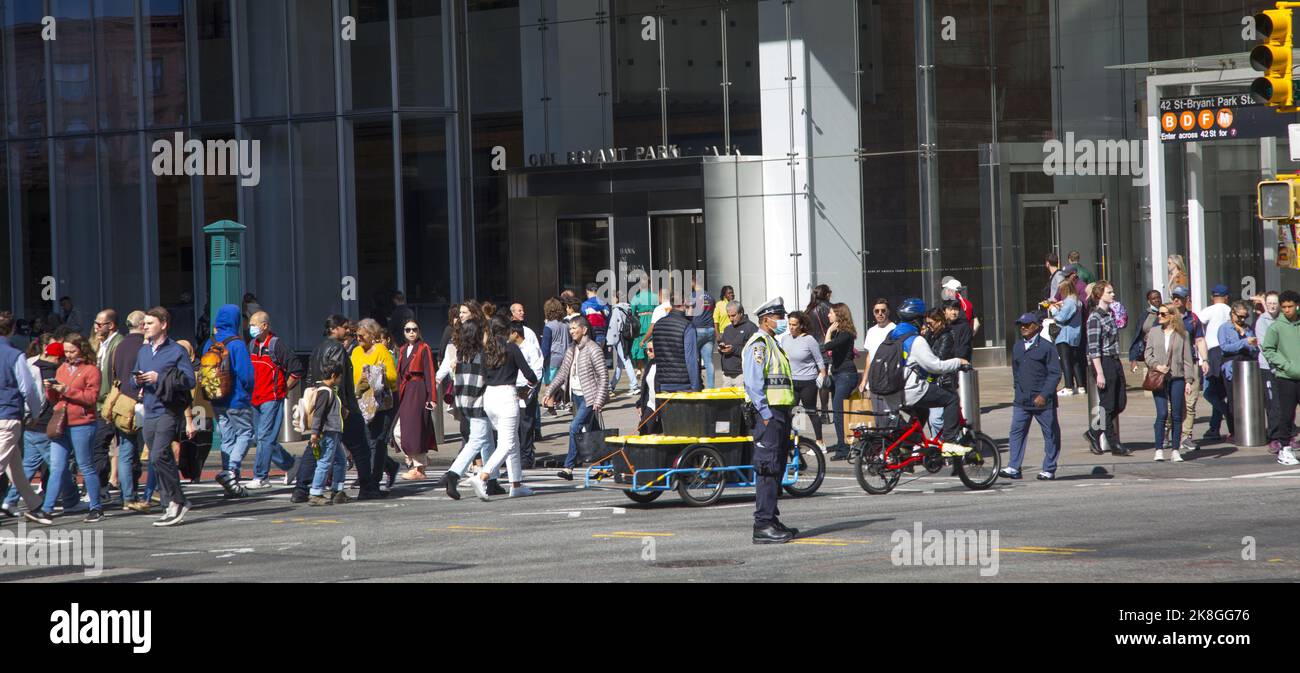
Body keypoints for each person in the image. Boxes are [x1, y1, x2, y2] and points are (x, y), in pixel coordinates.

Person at [877, 298, 969, 452]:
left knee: (922, 411)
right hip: (908, 390)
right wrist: (958, 362)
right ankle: (950, 442)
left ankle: (906, 447)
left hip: (888, 390)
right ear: (917, 319)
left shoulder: (892, 335)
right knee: (951, 399)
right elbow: (935, 365)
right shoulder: (915, 340)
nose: (925, 324)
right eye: (923, 320)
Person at [743, 297, 799, 544]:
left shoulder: (772, 343)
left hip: (780, 413)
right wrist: (765, 415)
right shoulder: (759, 344)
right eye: (778, 317)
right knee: (767, 468)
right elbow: (754, 384)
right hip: (768, 415)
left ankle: (771, 518)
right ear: (766, 319)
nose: (782, 321)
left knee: (776, 466)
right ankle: (762, 524)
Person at [133, 307, 195, 526]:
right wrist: (138, 381)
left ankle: (178, 502)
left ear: (163, 324)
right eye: (144, 323)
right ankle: (172, 503)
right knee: (158, 458)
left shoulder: (176, 350)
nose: (145, 326)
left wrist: (159, 377)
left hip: (169, 409)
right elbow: (134, 377)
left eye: (150, 323)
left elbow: (189, 380)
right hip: (148, 409)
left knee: (159, 454)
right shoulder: (143, 351)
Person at [2, 341, 78, 518]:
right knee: (57, 465)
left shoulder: (30, 363)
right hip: (38, 422)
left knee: (22, 466)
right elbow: (32, 392)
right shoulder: (48, 371)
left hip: (26, 424)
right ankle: (67, 500)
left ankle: (18, 501)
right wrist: (34, 413)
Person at [467, 316, 539, 500]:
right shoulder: (512, 348)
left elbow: (482, 376)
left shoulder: (485, 351)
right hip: (507, 395)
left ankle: (516, 484)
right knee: (507, 443)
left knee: (511, 440)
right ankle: (483, 476)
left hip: (490, 396)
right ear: (506, 330)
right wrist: (527, 389)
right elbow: (530, 375)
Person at [293, 315, 361, 503]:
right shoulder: (337, 349)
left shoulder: (316, 348)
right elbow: (342, 379)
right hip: (332, 412)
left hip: (318, 400)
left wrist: (310, 396)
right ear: (334, 329)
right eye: (344, 327)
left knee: (321, 453)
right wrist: (345, 405)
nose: (347, 331)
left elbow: (308, 376)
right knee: (342, 452)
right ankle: (318, 492)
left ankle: (302, 489)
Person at [0, 312, 52, 525]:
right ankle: (35, 506)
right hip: (7, 414)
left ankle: (34, 505)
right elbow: (28, 388)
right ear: (12, 330)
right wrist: (35, 412)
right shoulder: (14, 355)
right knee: (4, 461)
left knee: (15, 466)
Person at [1000, 313, 1062, 480]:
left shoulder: (1047, 347)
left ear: (1037, 326)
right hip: (1022, 400)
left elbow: (1055, 374)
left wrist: (1044, 394)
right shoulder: (1018, 347)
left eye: (1027, 324)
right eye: (1021, 324)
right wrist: (1017, 389)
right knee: (1016, 432)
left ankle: (1049, 468)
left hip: (1043, 401)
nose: (1023, 327)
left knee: (1051, 433)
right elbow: (1016, 371)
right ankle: (1013, 466)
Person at [546, 316, 609, 481]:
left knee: (575, 427)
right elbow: (562, 373)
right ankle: (606, 465)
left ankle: (569, 467)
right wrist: (549, 391)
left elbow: (603, 376)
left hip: (590, 397)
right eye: (570, 329)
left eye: (575, 328)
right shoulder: (572, 349)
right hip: (577, 396)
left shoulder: (593, 349)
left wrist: (599, 399)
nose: (572, 331)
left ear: (584, 330)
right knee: (594, 431)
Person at [438, 319, 495, 499]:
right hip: (479, 402)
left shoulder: (461, 353)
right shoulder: (481, 354)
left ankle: (493, 480)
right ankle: (452, 474)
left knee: (487, 441)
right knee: (477, 441)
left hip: (464, 402)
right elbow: (487, 379)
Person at [244, 311, 301, 488]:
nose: (251, 327)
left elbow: (296, 370)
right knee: (262, 437)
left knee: (264, 437)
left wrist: (283, 389)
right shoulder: (252, 344)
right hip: (255, 398)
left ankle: (261, 476)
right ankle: (291, 464)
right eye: (250, 324)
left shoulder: (277, 345)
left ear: (265, 326)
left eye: (254, 324)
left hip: (272, 398)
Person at [205, 304, 257, 495]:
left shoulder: (209, 342)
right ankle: (231, 470)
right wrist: (249, 393)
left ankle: (231, 481)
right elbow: (246, 375)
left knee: (227, 438)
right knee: (246, 433)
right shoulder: (236, 344)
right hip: (236, 398)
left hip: (216, 398)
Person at [351, 319, 400, 498]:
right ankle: (389, 466)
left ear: (372, 335)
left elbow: (393, 378)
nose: (358, 338)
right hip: (361, 403)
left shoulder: (381, 351)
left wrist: (375, 374)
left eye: (361, 335)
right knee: (366, 442)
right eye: (356, 335)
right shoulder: (355, 352)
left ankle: (372, 483)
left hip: (382, 403)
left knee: (377, 442)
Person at [1084, 282, 1131, 457]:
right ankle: (1114, 443)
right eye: (1109, 292)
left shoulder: (1109, 314)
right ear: (1099, 295)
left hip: (1115, 360)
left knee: (1119, 402)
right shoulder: (1094, 318)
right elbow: (1094, 348)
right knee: (1107, 405)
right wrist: (1100, 373)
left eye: (1112, 291)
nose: (1113, 295)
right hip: (1104, 362)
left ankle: (1094, 432)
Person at [1145, 303, 1195, 462]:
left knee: (1177, 414)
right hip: (1159, 377)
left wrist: (1188, 380)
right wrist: (1156, 366)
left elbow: (1188, 360)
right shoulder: (1154, 332)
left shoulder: (1183, 334)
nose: (1159, 316)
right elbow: (1148, 354)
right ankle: (1158, 449)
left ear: (1173, 315)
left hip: (1177, 377)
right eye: (1159, 314)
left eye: (1163, 314)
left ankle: (1175, 450)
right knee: (1162, 413)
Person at [112, 311, 148, 509]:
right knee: (151, 448)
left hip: (123, 403)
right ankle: (151, 492)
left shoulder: (119, 346)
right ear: (142, 325)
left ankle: (127, 496)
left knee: (125, 451)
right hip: (142, 402)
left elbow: (114, 375)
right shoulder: (144, 346)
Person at [395, 319, 437, 480]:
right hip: (406, 390)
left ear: (419, 331)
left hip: (418, 390)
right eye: (407, 330)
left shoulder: (423, 348)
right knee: (399, 431)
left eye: (414, 329)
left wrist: (432, 397)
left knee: (415, 429)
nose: (411, 332)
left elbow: (429, 373)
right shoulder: (403, 349)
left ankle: (418, 468)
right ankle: (418, 461)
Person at [1170, 285, 1210, 452]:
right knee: (1173, 402)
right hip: (1172, 364)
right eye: (1174, 296)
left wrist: (1205, 359)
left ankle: (1186, 436)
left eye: (1179, 297)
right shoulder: (1167, 315)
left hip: (1191, 363)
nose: (1176, 299)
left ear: (1187, 299)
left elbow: (1200, 340)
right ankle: (1171, 434)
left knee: (1190, 401)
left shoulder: (1192, 318)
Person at [89, 310, 123, 500]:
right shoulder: (98, 344)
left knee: (107, 445)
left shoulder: (118, 344)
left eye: (100, 324)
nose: (96, 327)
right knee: (102, 445)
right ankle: (104, 486)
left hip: (111, 402)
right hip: (99, 402)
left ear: (111, 325)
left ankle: (107, 487)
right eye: (95, 323)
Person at [1264, 290, 1300, 465]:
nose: (1286, 310)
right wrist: (1285, 365)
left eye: (1290, 306)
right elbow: (1268, 349)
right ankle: (1284, 449)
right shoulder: (1276, 327)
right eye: (1283, 306)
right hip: (1285, 377)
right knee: (1286, 414)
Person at [305, 363, 349, 506]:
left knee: (341, 460)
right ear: (333, 376)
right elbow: (319, 414)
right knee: (325, 461)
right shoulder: (325, 391)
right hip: (329, 431)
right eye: (340, 377)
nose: (341, 379)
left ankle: (337, 489)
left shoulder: (330, 391)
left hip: (334, 431)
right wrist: (314, 433)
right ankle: (316, 492)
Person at [781, 311, 826, 448]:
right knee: (792, 412)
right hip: (792, 381)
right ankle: (795, 439)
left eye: (794, 324)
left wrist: (822, 375)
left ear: (801, 325)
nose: (791, 327)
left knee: (811, 411)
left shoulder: (809, 340)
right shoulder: (785, 339)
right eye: (789, 324)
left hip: (808, 382)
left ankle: (820, 442)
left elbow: (819, 360)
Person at [1218, 300, 1259, 444]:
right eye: (1239, 316)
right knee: (1233, 401)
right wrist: (1244, 342)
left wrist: (1250, 343)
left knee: (1249, 400)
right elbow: (1224, 347)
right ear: (1232, 314)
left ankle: (1250, 429)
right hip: (1231, 367)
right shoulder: (1224, 328)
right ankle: (1234, 431)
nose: (1242, 320)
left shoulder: (1247, 329)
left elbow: (1255, 349)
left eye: (1245, 317)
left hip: (1248, 366)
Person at [823, 303, 860, 459]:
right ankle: (841, 443)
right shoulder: (840, 333)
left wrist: (830, 331)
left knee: (838, 412)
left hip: (846, 375)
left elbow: (826, 346)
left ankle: (843, 450)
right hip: (838, 375)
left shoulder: (845, 334)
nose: (828, 316)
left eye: (831, 313)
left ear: (839, 315)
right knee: (837, 411)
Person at [1200, 285, 1234, 443]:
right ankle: (1214, 427)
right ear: (1226, 297)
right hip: (1227, 353)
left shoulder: (1209, 310)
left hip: (1212, 353)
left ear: (1213, 297)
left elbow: (1198, 323)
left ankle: (1226, 411)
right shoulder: (1229, 310)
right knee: (1219, 393)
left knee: (1209, 391)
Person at [644, 301, 701, 394]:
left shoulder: (658, 324)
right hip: (683, 385)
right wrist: (696, 387)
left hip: (662, 384)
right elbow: (691, 359)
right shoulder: (688, 326)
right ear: (684, 303)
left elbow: (657, 355)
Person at [511, 321, 544, 468]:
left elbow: (537, 369)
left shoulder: (530, 348)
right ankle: (516, 454)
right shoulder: (510, 348)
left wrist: (529, 388)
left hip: (527, 390)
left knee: (526, 425)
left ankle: (526, 456)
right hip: (512, 389)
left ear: (515, 334)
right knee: (514, 425)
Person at [921, 307, 956, 441]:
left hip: (942, 381)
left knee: (935, 419)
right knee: (929, 417)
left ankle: (946, 443)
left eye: (930, 323)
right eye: (927, 324)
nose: (928, 326)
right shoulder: (930, 335)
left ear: (940, 321)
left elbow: (938, 360)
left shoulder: (947, 336)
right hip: (930, 380)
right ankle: (939, 443)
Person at [1049, 279, 1086, 396]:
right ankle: (1080, 386)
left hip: (1064, 335)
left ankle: (1068, 386)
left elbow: (1061, 317)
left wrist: (1053, 310)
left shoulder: (1069, 302)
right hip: (1075, 335)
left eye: (1061, 290)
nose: (1060, 292)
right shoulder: (1077, 301)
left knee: (1065, 361)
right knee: (1074, 361)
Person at [1256, 292, 1282, 453]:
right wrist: (1276, 363)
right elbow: (1265, 347)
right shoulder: (1261, 322)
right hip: (1268, 367)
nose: (1272, 305)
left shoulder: (1283, 320)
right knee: (1273, 403)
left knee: (1285, 403)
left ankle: (1287, 434)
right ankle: (1274, 437)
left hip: (1284, 368)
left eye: (1275, 303)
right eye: (1270, 303)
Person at [804, 284, 834, 420]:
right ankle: (825, 412)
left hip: (811, 347)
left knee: (814, 380)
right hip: (826, 348)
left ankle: (812, 410)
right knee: (825, 380)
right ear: (827, 294)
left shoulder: (808, 310)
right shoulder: (830, 308)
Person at [540, 297, 570, 416]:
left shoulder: (548, 326)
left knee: (550, 383)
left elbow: (545, 347)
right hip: (566, 355)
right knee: (565, 382)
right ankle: (567, 403)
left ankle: (551, 408)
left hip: (553, 358)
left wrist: (541, 360)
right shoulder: (566, 324)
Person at [718, 301, 757, 388]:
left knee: (741, 402)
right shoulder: (727, 329)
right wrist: (721, 349)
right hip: (726, 375)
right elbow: (723, 347)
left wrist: (733, 350)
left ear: (741, 313)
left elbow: (753, 352)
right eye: (729, 316)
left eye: (733, 315)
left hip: (742, 375)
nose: (731, 319)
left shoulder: (751, 328)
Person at [606, 292, 638, 395]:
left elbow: (613, 327)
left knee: (625, 360)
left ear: (617, 298)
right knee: (620, 362)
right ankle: (612, 385)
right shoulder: (627, 308)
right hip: (626, 337)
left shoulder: (616, 310)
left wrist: (609, 342)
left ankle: (634, 385)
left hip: (619, 338)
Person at [689, 281, 717, 389]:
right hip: (710, 329)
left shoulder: (692, 296)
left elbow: (690, 313)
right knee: (708, 361)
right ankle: (711, 388)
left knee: (694, 359)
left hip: (697, 329)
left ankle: (696, 385)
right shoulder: (710, 297)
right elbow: (712, 312)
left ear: (694, 281)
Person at [1129, 290, 1165, 373]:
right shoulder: (1144, 315)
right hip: (1150, 352)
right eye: (1153, 298)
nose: (1157, 300)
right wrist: (1133, 359)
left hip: (1166, 351)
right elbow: (1137, 337)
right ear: (1149, 301)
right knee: (1154, 378)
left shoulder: (1167, 313)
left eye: (1158, 297)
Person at [630, 284, 659, 376]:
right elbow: (657, 309)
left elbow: (633, 312)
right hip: (652, 321)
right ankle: (652, 368)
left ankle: (640, 369)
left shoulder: (636, 297)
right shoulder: (654, 296)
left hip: (641, 323)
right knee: (652, 346)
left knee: (639, 347)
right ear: (649, 285)